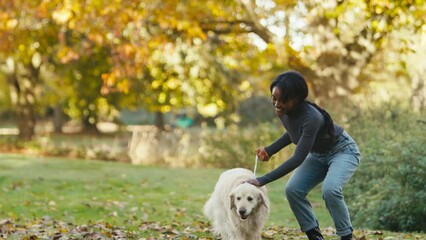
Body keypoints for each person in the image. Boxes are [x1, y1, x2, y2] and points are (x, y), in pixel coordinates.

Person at [246, 70, 361, 240]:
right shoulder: (283, 111)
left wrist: (262, 180)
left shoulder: (311, 117)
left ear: (296, 99)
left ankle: (346, 236)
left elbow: (298, 158)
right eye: (274, 98)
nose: (277, 104)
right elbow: (293, 133)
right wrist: (270, 150)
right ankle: (314, 235)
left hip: (343, 151)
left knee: (330, 190)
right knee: (293, 190)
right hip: (318, 154)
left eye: (282, 100)